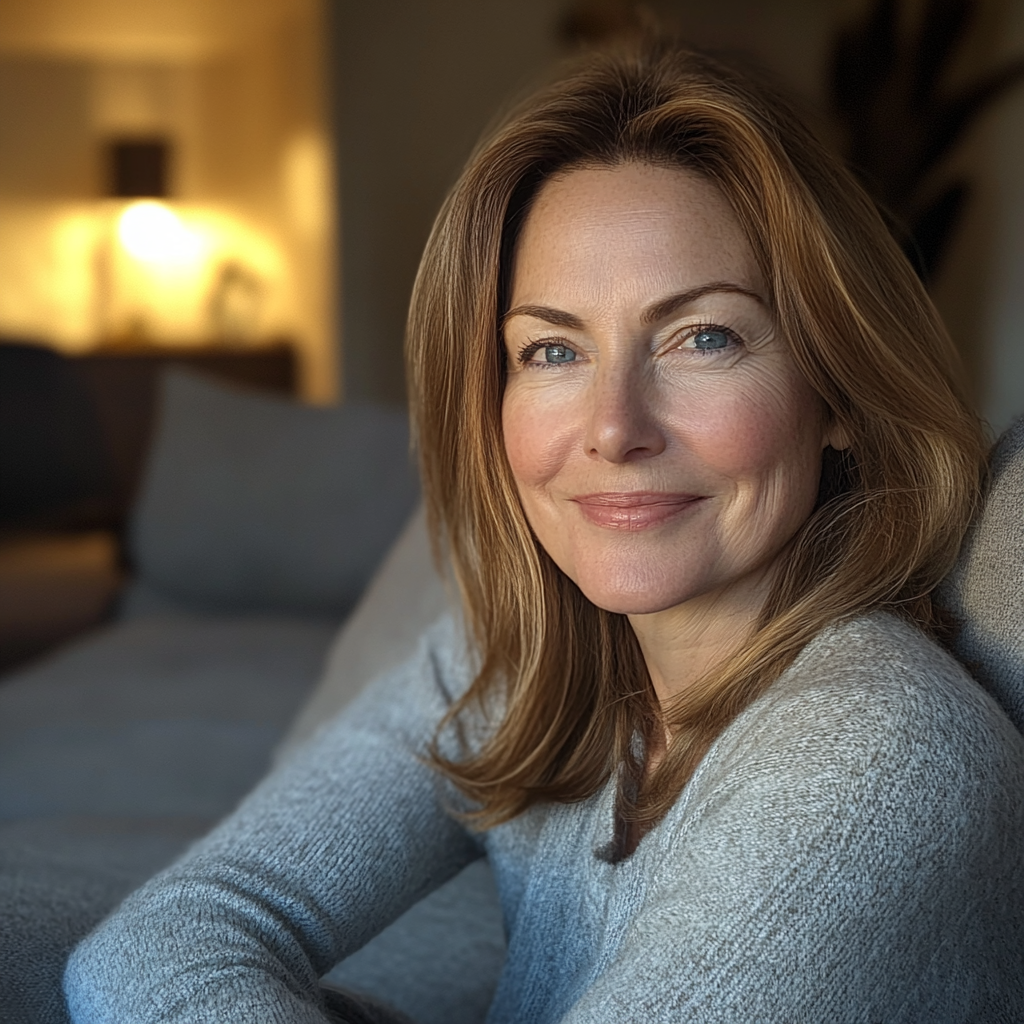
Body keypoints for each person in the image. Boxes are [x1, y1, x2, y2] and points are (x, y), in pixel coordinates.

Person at [65, 40, 1024, 1023]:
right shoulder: (517, 664)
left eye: (703, 337)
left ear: (838, 393)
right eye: (553, 348)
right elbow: (165, 938)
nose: (614, 428)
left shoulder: (868, 766)